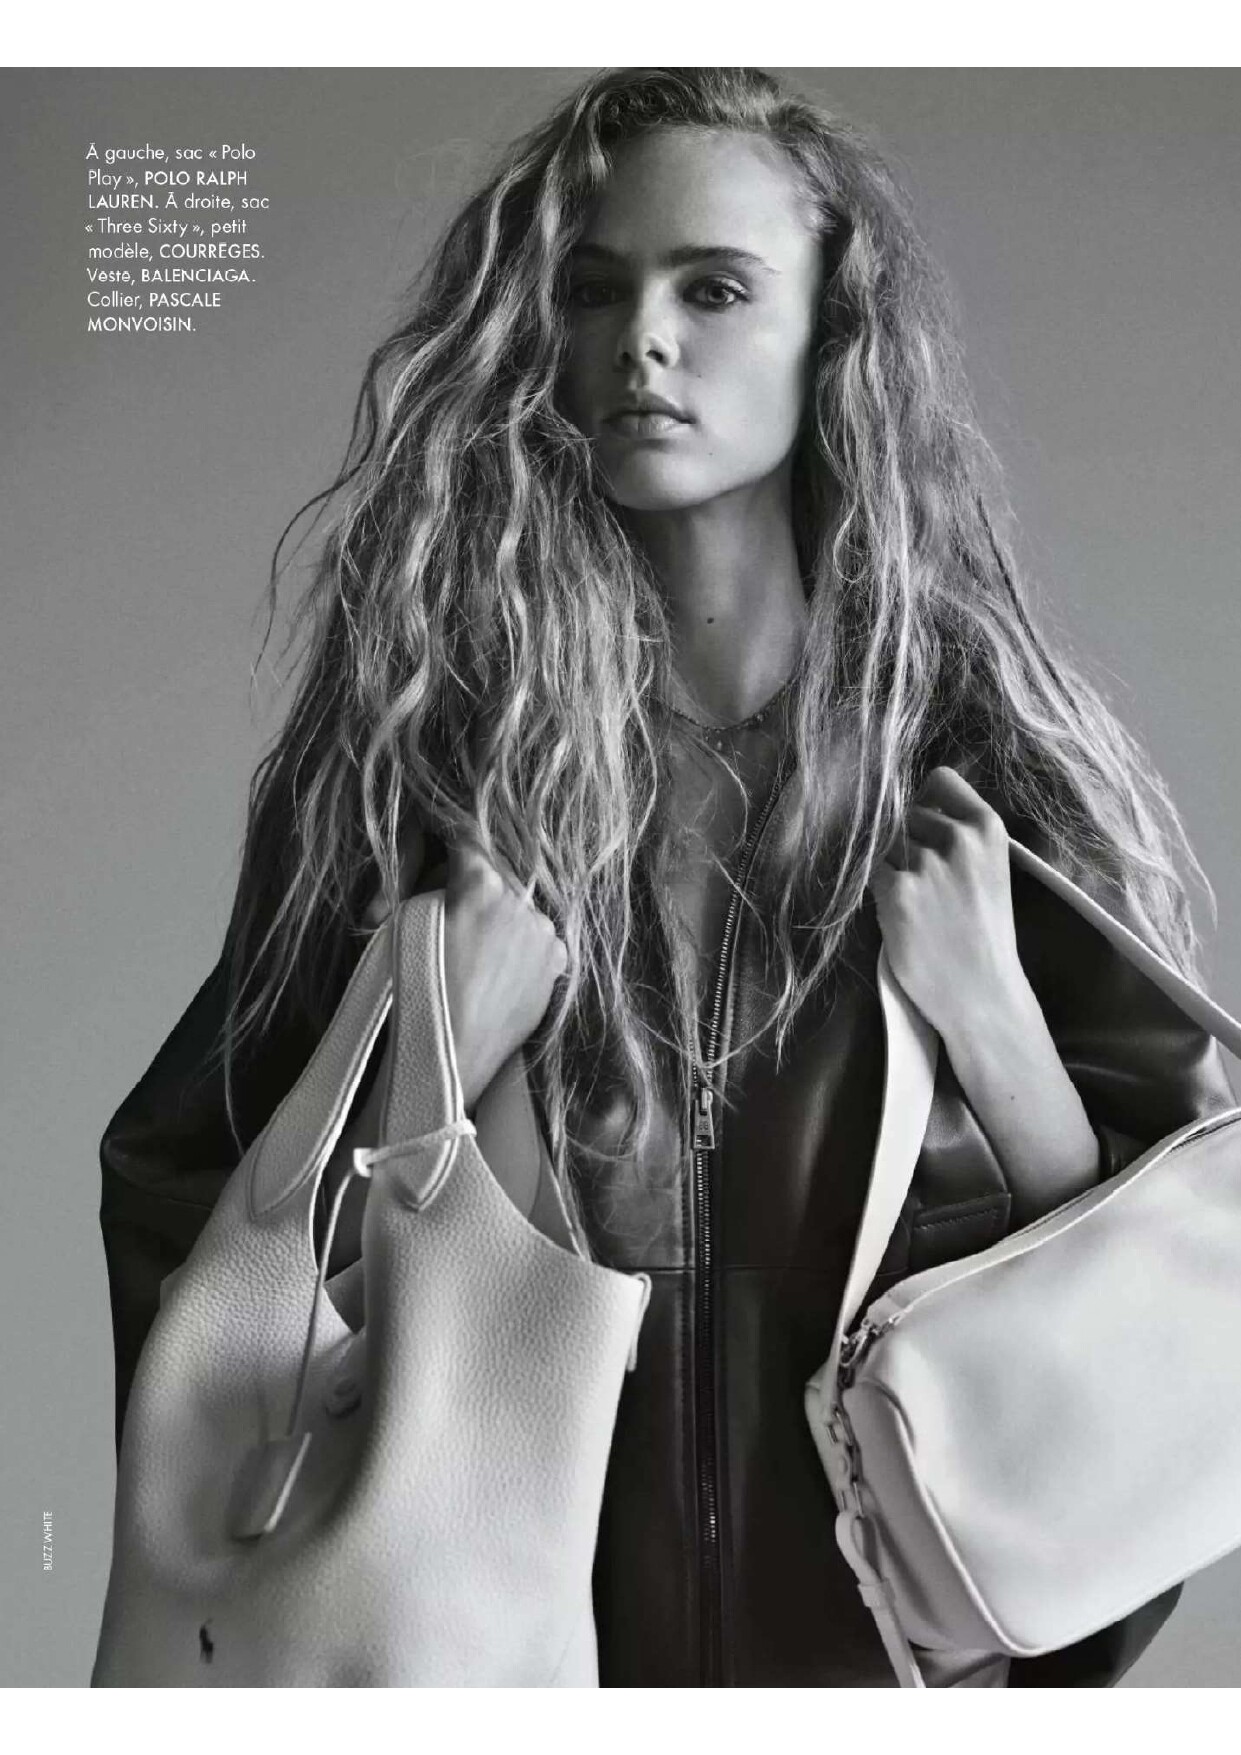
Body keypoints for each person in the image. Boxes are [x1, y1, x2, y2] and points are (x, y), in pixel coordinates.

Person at [98, 66, 1236, 1688]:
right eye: (592, 288)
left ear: (829, 336)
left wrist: (999, 1037)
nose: (642, 339)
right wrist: (428, 1076)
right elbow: (204, 1241)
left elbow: (1169, 1320)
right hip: (509, 1676)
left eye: (711, 289)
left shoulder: (981, 783)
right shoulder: (421, 783)